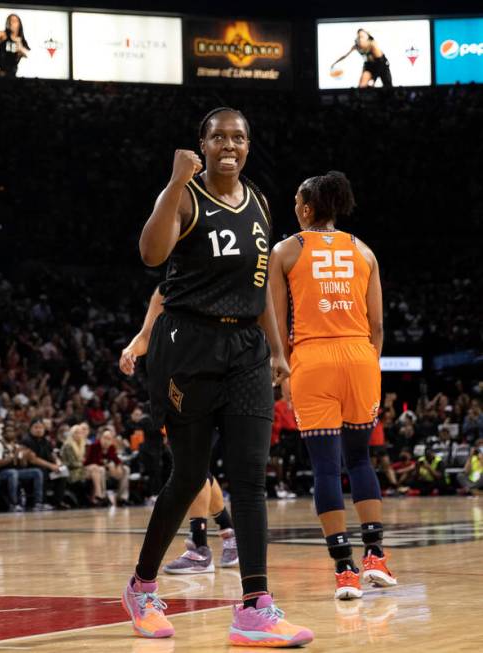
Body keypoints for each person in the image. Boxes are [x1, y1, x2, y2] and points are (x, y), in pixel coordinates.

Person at [125, 107, 311, 646]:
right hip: (188, 344)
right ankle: (141, 587)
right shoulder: (185, 195)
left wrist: (278, 351)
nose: (229, 145)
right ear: (202, 144)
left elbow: (259, 293)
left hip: (246, 349)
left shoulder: (259, 202)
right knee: (189, 477)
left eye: (239, 137)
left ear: (249, 146)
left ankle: (254, 606)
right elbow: (149, 253)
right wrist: (173, 181)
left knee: (251, 480)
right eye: (219, 137)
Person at [270, 170, 397, 601]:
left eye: (295, 202)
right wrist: (367, 363)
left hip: (313, 359)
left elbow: (274, 320)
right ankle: (375, 556)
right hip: (360, 357)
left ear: (306, 208)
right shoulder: (364, 250)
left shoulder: (286, 250)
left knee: (326, 467)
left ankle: (344, 571)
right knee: (361, 461)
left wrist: (281, 366)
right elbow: (377, 324)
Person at [120, 290, 241, 573]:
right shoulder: (165, 291)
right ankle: (227, 532)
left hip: (212, 385)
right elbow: (147, 336)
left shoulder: (217, 285)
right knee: (196, 467)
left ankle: (200, 546)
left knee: (193, 467)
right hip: (173, 389)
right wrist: (130, 350)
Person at [0, 423, 47, 512]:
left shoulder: (16, 446)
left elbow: (23, 466)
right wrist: (12, 456)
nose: (10, 433)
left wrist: (24, 457)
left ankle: (38, 503)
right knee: (13, 473)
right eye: (8, 431)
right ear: (3, 434)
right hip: (1, 473)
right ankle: (14, 503)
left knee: (37, 472)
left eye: (12, 431)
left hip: (15, 472)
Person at [22, 418, 70, 509]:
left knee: (63, 473)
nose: (39, 430)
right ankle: (41, 502)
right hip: (31, 469)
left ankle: (57, 502)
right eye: (36, 427)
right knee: (41, 472)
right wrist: (51, 466)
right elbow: (33, 459)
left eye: (41, 428)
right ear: (30, 429)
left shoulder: (45, 441)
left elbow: (52, 454)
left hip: (47, 468)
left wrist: (58, 464)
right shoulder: (27, 440)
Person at [60, 422, 106, 506]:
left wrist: (86, 462)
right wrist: (84, 463)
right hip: (72, 472)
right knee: (95, 468)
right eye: (76, 433)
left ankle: (96, 497)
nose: (78, 435)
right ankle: (98, 495)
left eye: (80, 433)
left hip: (81, 469)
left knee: (99, 469)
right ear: (72, 434)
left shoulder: (82, 444)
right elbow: (71, 463)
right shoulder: (68, 446)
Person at [85, 426, 130, 506]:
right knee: (101, 469)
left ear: (112, 440)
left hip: (108, 471)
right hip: (95, 470)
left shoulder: (111, 448)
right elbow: (92, 462)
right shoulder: (94, 446)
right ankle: (102, 497)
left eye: (109, 439)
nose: (106, 441)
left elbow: (116, 460)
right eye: (105, 438)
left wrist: (118, 466)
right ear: (100, 438)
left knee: (126, 469)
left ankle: (122, 497)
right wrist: (108, 465)